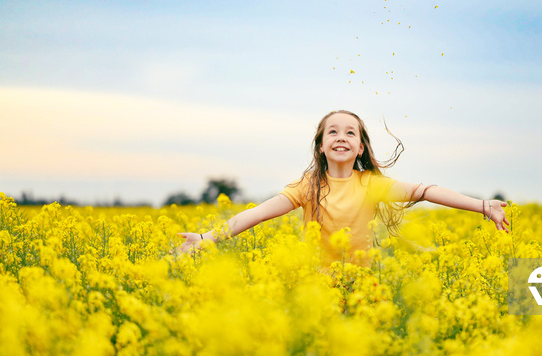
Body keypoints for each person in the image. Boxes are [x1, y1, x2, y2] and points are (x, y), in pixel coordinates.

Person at [178, 110, 509, 267]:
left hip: (363, 285)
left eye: (350, 133)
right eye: (332, 132)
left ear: (361, 148)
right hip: (317, 284)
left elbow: (424, 191)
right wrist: (208, 238)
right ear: (321, 146)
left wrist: (482, 205)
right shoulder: (308, 186)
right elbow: (256, 214)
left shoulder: (371, 185)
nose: (341, 137)